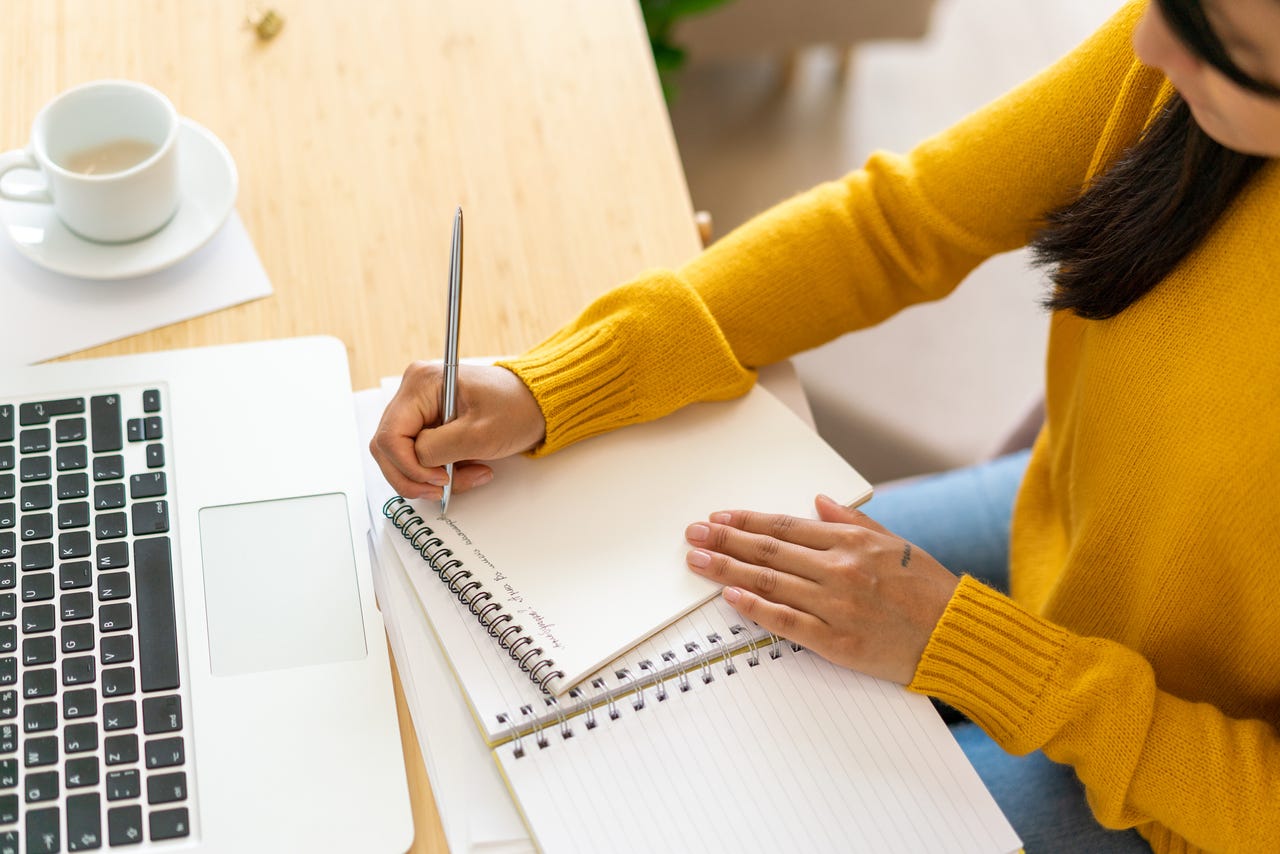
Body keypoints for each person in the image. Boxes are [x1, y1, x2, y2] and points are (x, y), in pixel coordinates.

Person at [372, 1, 1280, 850]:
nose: (1149, 49)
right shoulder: (1176, 46)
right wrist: (562, 384)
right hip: (1073, 528)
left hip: (1195, 780)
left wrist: (974, 654)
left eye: (1224, 54)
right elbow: (897, 225)